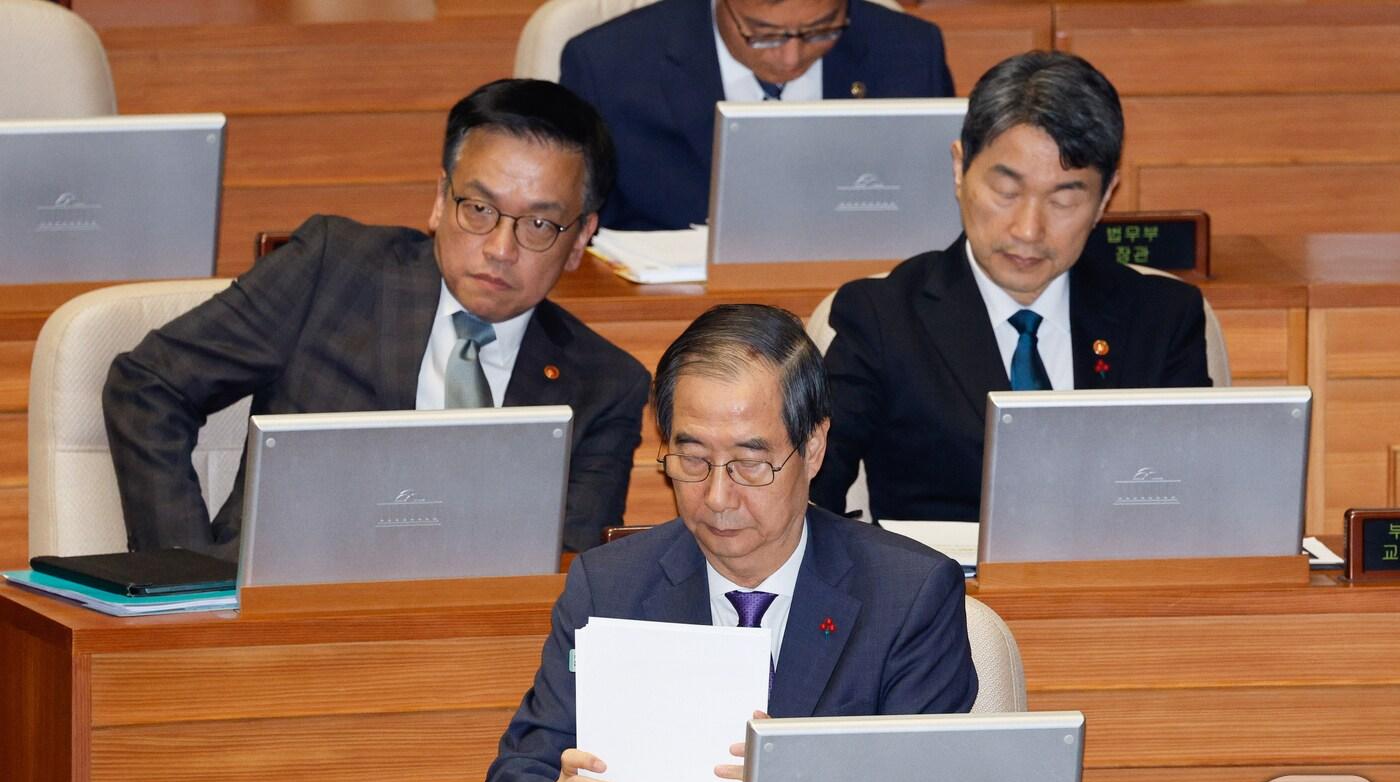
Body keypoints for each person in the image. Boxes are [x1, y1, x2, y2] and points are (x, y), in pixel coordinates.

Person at [482, 303, 977, 782]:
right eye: (692, 460)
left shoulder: (909, 596)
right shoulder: (608, 586)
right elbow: (521, 772)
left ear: (813, 448)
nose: (717, 496)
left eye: (749, 464)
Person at [103, 79, 650, 557]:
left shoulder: (604, 385)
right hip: (269, 619)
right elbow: (148, 383)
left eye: (538, 225)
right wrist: (184, 571)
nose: (500, 248)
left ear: (580, 239)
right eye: (479, 209)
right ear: (440, 200)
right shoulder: (333, 270)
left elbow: (570, 573)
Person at [811, 51, 1211, 524]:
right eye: (1006, 192)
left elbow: (1194, 505)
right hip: (943, 594)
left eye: (1063, 199)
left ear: (1105, 197)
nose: (1027, 229)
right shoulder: (880, 317)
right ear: (960, 169)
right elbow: (811, 499)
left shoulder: (1162, 316)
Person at [559, 0, 955, 231]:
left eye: (821, 30)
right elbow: (577, 235)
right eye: (764, 34)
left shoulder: (911, 53)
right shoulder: (608, 68)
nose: (791, 57)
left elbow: (941, 213)